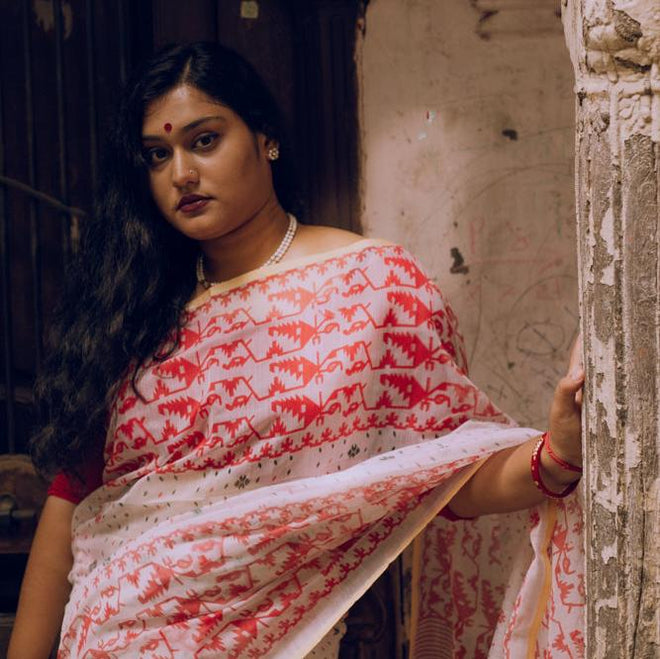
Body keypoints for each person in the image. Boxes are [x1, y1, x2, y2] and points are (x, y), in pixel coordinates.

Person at [8, 42, 585, 659]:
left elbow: (447, 479)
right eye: (157, 155)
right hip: (108, 633)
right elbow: (74, 497)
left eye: (204, 141)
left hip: (280, 640)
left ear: (266, 139)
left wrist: (554, 457)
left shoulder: (373, 287)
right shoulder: (134, 310)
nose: (180, 174)